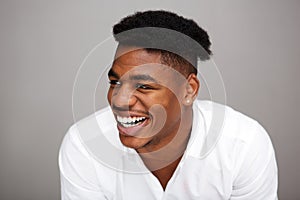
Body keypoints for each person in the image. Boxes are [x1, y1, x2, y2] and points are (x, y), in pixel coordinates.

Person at [59, 10, 278, 199]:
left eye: (144, 86)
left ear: (188, 90)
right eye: (115, 82)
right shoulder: (85, 145)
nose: (119, 100)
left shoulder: (243, 145)